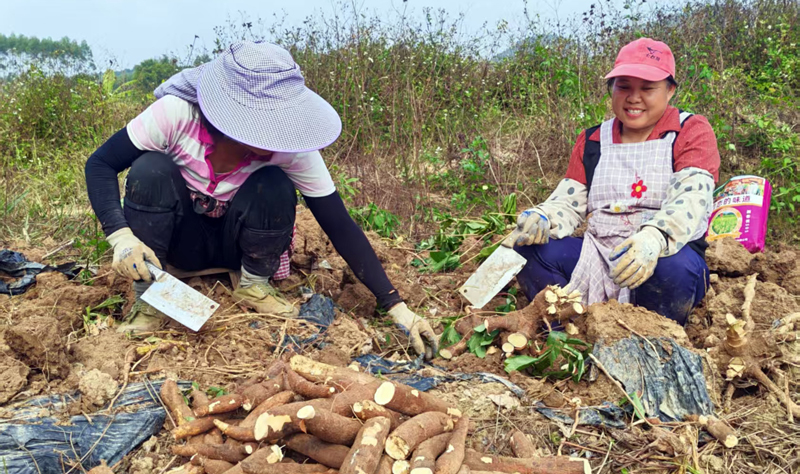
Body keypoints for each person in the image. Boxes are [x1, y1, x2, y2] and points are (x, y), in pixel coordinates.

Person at [85, 41, 438, 357]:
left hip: (236, 250)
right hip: (177, 245)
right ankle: (152, 298)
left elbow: (338, 223)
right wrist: (121, 238)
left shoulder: (291, 150)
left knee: (273, 182)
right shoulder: (177, 115)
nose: (274, 135)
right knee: (151, 169)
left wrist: (397, 307)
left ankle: (254, 286)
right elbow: (100, 164)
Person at [509, 38, 720, 325]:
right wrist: (544, 216)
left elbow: (692, 200)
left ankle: (658, 337)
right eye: (623, 87)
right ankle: (565, 329)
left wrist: (653, 238)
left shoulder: (689, 130)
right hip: (598, 254)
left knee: (673, 269)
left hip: (663, 253)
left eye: (647, 89)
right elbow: (570, 202)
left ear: (670, 90)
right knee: (529, 251)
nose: (634, 98)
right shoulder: (593, 139)